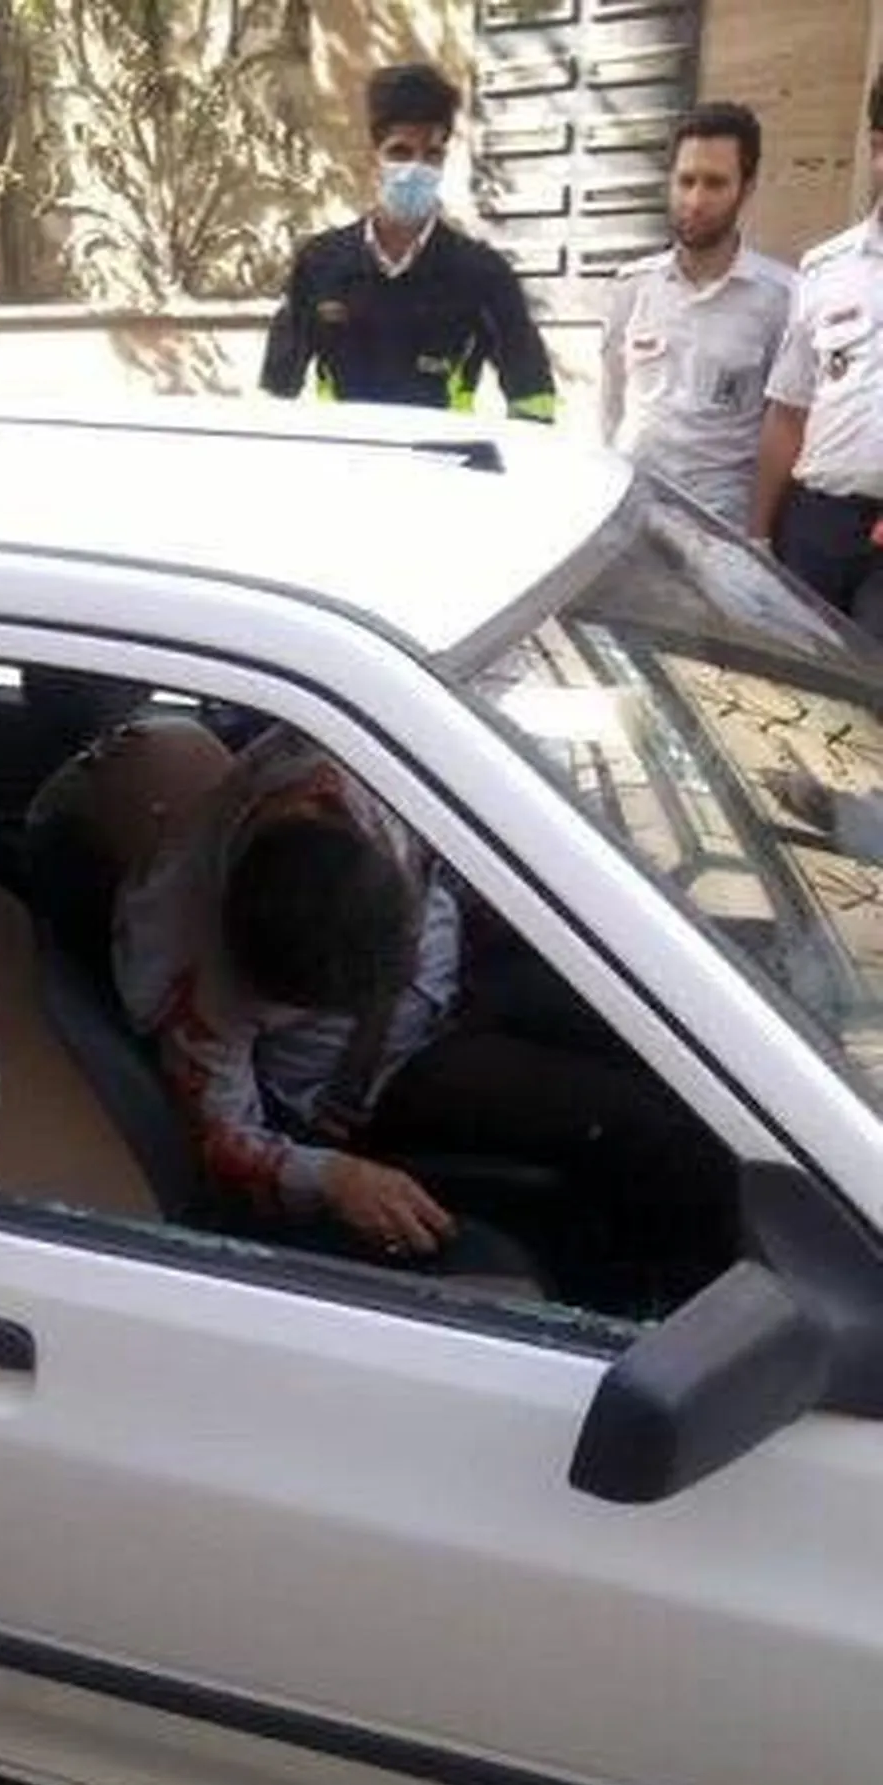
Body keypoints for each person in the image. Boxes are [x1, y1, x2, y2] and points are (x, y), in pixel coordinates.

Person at [112, 725, 735, 1296]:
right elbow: (222, 1138)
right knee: (643, 1123)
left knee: (672, 1041)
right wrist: (333, 1177)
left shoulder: (365, 760)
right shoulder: (182, 966)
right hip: (387, 1078)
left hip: (469, 962)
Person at [260, 61, 556, 420]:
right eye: (400, 152)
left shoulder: (483, 274)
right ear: (374, 158)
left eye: (431, 154)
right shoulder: (320, 263)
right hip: (347, 452)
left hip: (442, 453)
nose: (417, 167)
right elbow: (275, 393)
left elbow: (533, 397)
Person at [601, 102, 792, 528]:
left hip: (722, 529)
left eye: (715, 183)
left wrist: (759, 533)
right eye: (686, 181)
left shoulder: (782, 298)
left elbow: (783, 425)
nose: (696, 200)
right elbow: (611, 405)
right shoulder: (632, 287)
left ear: (746, 188)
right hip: (634, 518)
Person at [751, 65, 883, 633]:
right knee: (796, 669)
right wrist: (758, 536)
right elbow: (788, 411)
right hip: (817, 521)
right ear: (876, 148)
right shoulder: (826, 267)